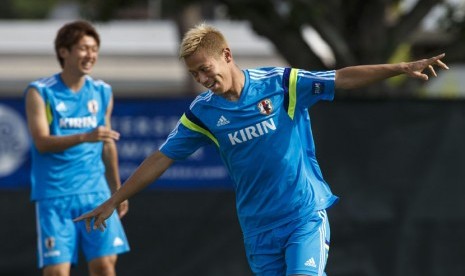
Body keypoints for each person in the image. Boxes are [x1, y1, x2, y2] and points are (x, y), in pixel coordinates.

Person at [75, 23, 448, 275]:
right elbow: (161, 158)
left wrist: (399, 67)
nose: (204, 80)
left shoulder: (281, 83)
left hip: (303, 215)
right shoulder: (203, 113)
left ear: (226, 55)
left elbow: (341, 77)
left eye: (206, 69)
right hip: (257, 228)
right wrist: (115, 198)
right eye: (196, 76)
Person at [25, 20, 130, 276]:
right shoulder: (40, 92)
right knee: (57, 272)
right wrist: (84, 137)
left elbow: (107, 144)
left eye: (94, 49)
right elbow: (41, 141)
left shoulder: (102, 91)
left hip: (95, 193)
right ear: (64, 51)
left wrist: (118, 191)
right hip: (55, 196)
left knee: (104, 267)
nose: (91, 55)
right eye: (84, 48)